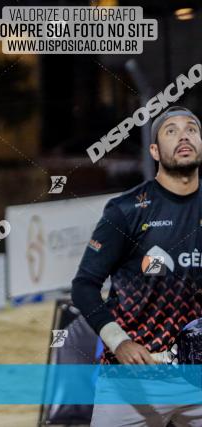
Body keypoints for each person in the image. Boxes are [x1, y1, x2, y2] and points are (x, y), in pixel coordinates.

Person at [71, 106, 202, 426]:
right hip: (132, 384)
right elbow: (84, 286)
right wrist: (119, 341)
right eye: (171, 131)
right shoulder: (127, 210)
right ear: (155, 151)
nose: (184, 135)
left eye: (192, 130)